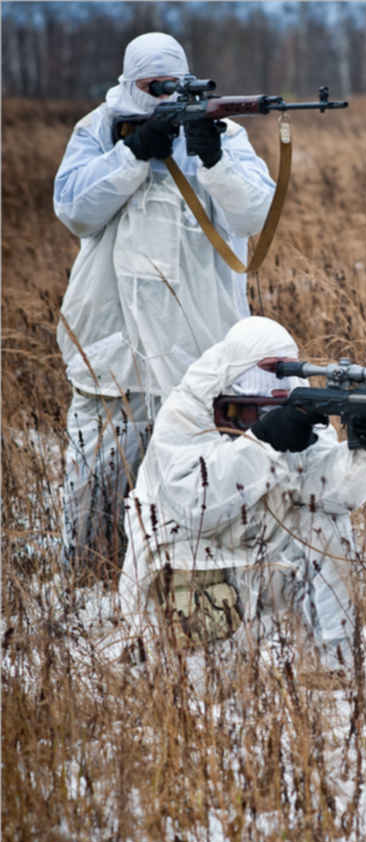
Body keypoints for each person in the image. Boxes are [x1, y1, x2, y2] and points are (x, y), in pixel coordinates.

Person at [54, 31, 275, 573]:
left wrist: (215, 159)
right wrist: (133, 154)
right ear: (130, 84)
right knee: (93, 508)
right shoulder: (101, 130)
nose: (164, 97)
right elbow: (75, 209)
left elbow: (253, 217)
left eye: (174, 86)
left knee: (199, 499)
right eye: (154, 87)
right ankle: (88, 587)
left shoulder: (224, 134)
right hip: (115, 358)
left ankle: (182, 584)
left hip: (198, 356)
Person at [118, 316, 366, 674]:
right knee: (199, 690)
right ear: (231, 369)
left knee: (323, 521)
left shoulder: (297, 406)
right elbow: (195, 509)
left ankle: (334, 666)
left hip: (255, 566)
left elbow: (330, 494)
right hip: (187, 570)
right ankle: (154, 653)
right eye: (263, 371)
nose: (271, 385)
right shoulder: (186, 413)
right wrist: (263, 444)